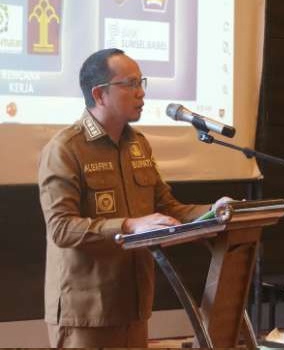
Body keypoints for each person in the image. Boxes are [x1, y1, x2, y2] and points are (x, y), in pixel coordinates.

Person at [38, 48, 234, 348]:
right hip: (87, 311)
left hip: (133, 304)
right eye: (130, 84)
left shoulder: (137, 145)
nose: (141, 92)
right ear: (100, 94)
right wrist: (129, 225)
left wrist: (215, 211)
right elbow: (61, 228)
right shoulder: (65, 148)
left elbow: (168, 208)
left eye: (141, 82)